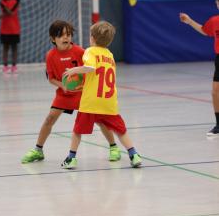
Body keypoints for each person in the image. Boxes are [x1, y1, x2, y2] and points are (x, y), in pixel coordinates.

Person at [21, 20, 121, 164]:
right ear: (52, 39)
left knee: (100, 120)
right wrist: (62, 85)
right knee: (50, 119)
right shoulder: (50, 56)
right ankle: (38, 150)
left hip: (84, 94)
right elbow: (51, 79)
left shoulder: (81, 52)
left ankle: (114, 147)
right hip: (64, 94)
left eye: (68, 34)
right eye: (61, 35)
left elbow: (92, 70)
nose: (66, 38)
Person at [61, 21, 142, 169]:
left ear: (92, 38)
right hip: (109, 102)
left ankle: (71, 158)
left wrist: (74, 70)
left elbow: (90, 68)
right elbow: (99, 77)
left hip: (91, 103)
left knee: (77, 131)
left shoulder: (90, 51)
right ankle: (134, 154)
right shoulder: (110, 55)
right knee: (121, 131)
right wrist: (85, 84)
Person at [180, 0, 219, 136]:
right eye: (217, 1)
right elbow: (204, 30)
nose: (217, 3)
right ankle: (218, 125)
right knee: (215, 92)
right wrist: (189, 21)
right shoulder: (215, 21)